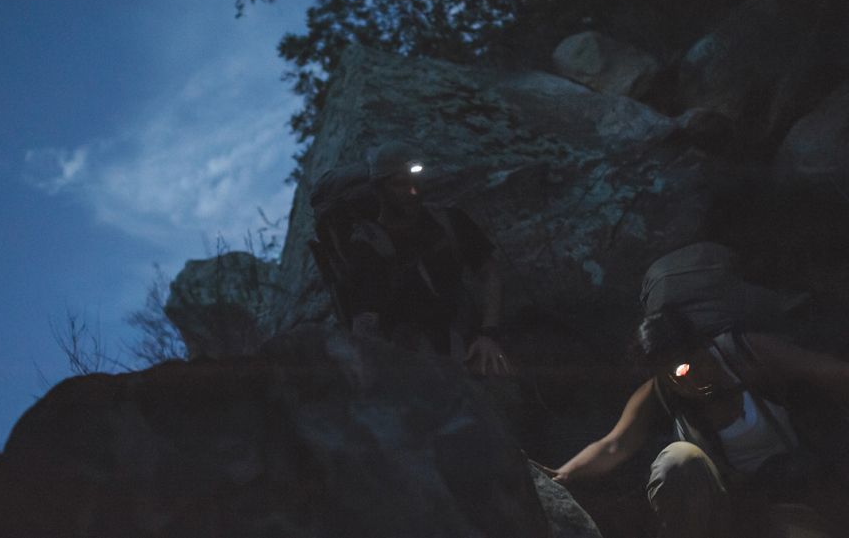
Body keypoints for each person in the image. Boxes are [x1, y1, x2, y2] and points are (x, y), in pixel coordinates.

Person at [541, 250, 849, 538]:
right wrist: (563, 475)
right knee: (678, 459)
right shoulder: (662, 392)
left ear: (704, 346)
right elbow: (614, 445)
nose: (687, 381)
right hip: (732, 508)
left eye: (691, 366)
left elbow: (832, 373)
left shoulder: (744, 354)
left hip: (795, 489)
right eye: (674, 375)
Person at [344, 141, 512, 376]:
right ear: (379, 190)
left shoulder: (448, 221)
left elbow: (491, 274)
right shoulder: (368, 248)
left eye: (415, 182)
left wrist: (489, 334)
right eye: (400, 185)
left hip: (469, 339)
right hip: (412, 361)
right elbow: (365, 322)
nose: (413, 191)